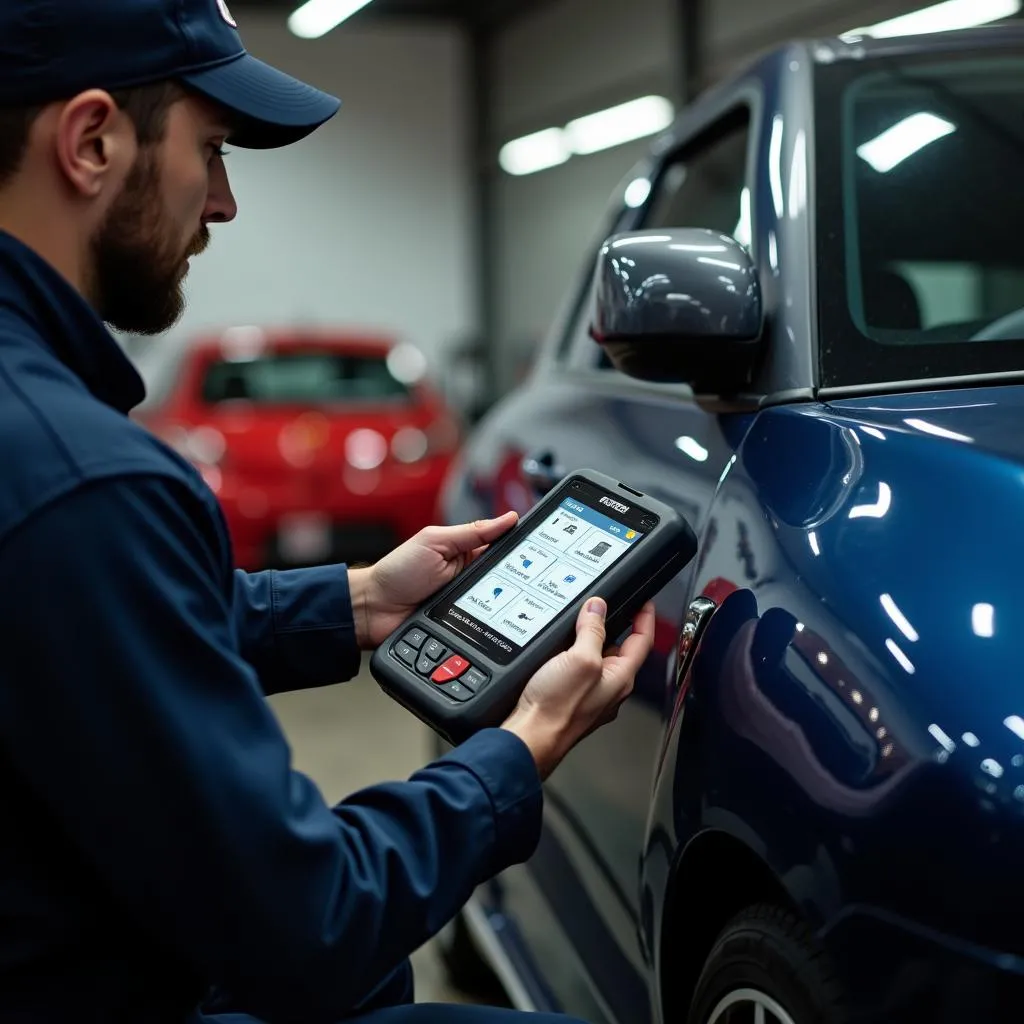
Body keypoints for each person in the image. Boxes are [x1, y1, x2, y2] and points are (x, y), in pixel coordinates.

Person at [0, 2, 657, 1023]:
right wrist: (521, 747)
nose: (220, 204)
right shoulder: (84, 476)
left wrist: (353, 602)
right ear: (92, 141)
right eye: (210, 150)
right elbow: (309, 923)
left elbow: (79, 634)